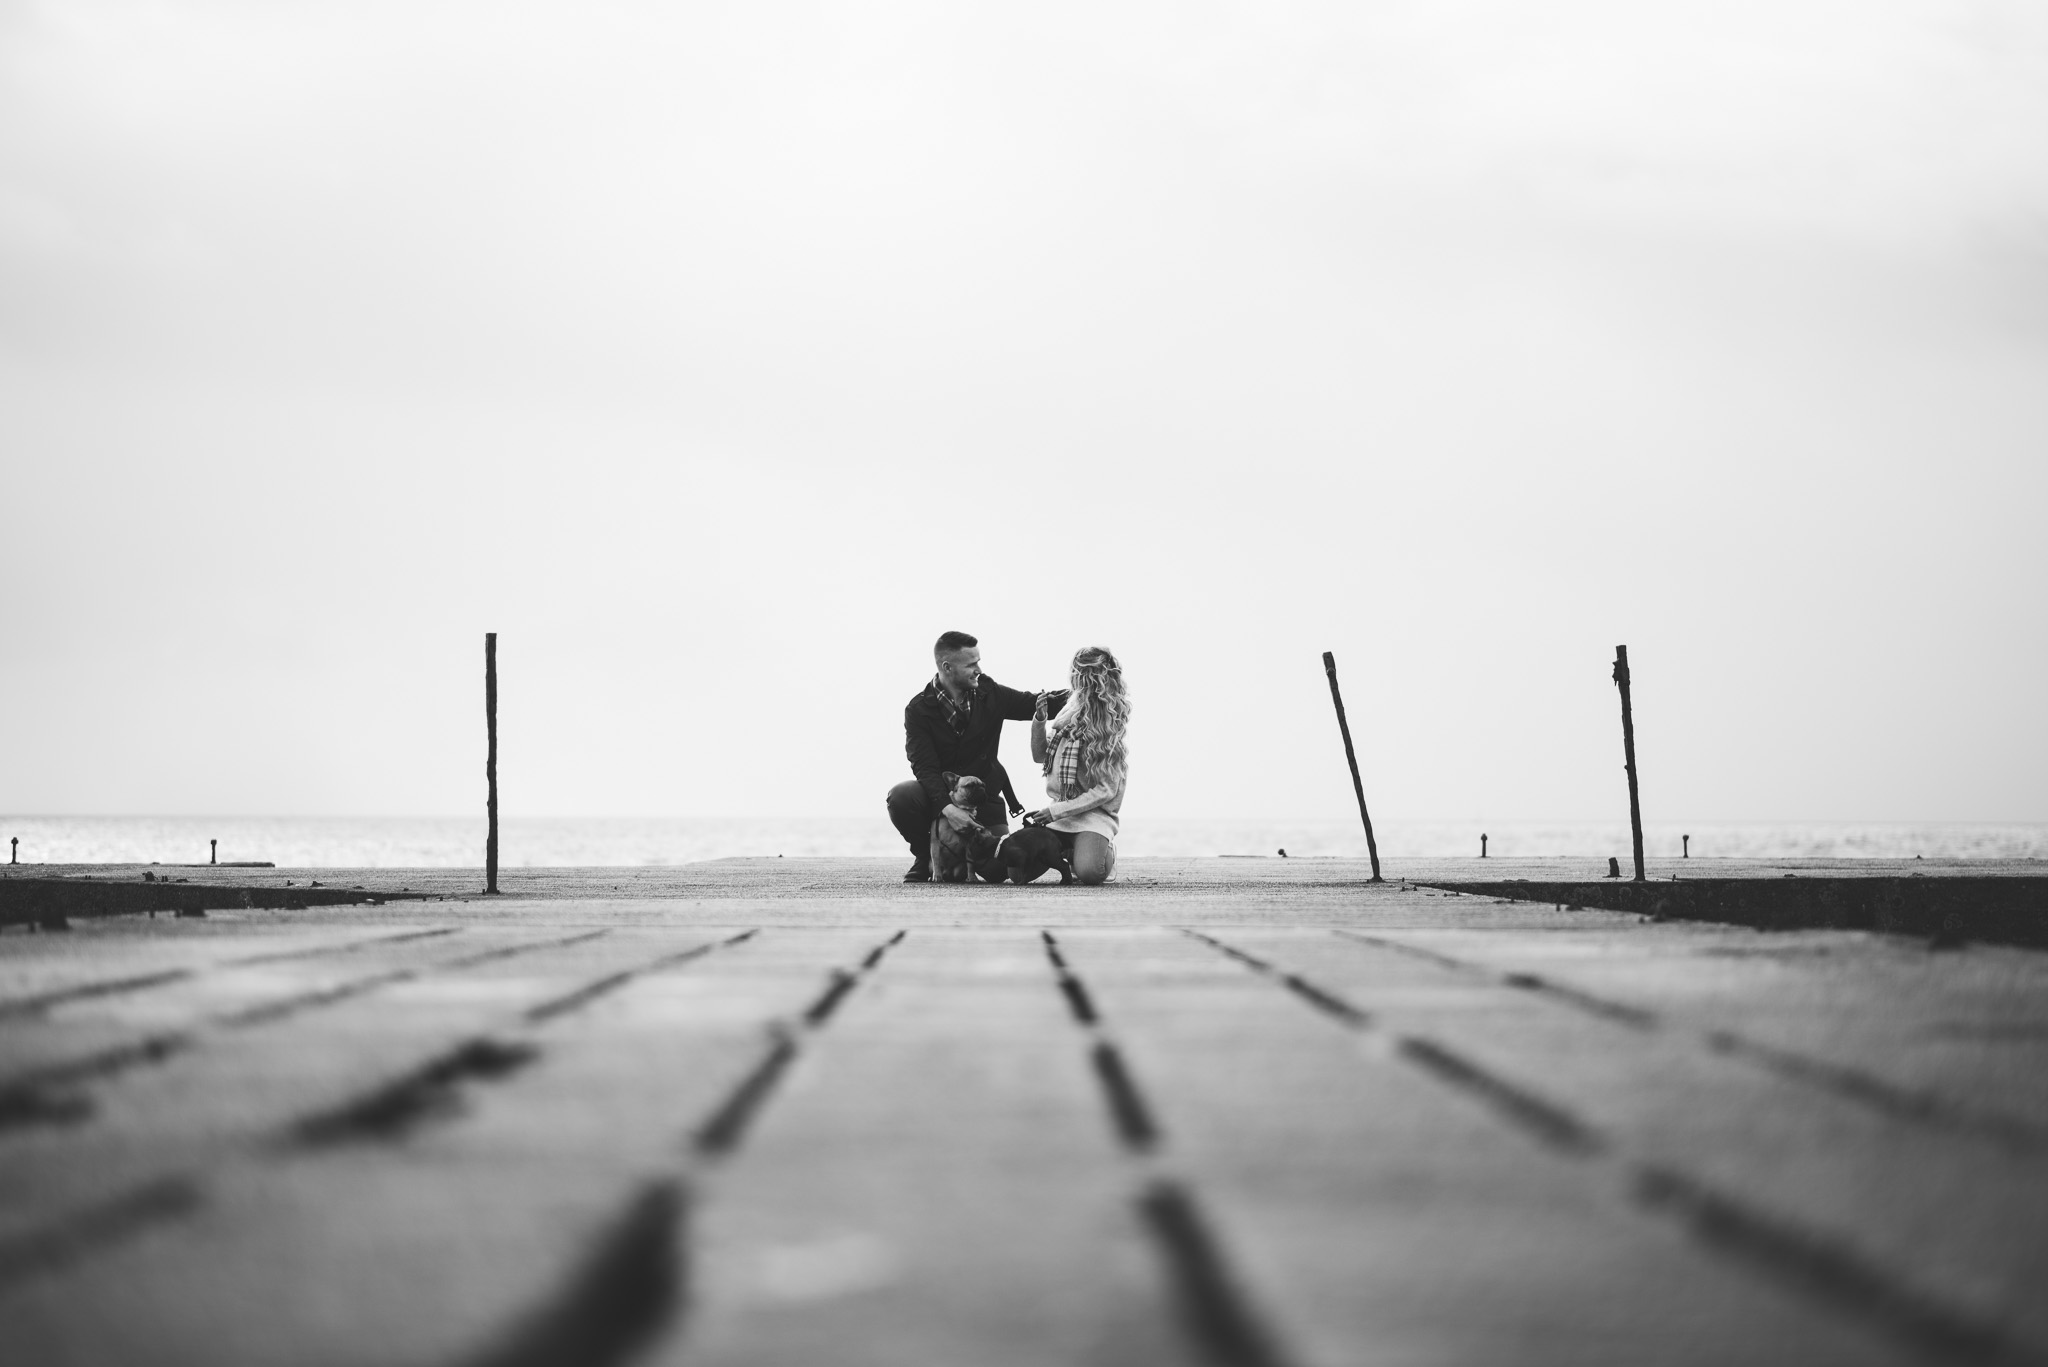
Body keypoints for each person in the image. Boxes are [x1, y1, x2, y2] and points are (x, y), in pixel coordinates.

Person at [887, 631, 1042, 883]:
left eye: (978, 662)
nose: (978, 669)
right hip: (940, 798)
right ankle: (925, 856)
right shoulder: (918, 710)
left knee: (998, 871)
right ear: (947, 667)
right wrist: (948, 809)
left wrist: (1088, 694)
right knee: (902, 797)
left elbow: (1034, 703)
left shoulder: (991, 694)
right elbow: (924, 767)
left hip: (985, 800)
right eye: (971, 664)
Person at [1023, 645, 1129, 886]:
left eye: (1085, 676)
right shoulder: (1066, 715)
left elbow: (1106, 790)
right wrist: (1039, 721)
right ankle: (1069, 849)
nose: (1081, 682)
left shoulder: (1108, 726)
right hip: (1060, 813)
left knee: (1091, 873)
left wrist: (1055, 812)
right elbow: (1040, 757)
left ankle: (1099, 849)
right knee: (1019, 873)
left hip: (1093, 816)